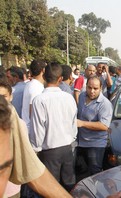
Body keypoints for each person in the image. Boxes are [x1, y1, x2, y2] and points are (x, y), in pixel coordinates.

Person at [30, 63, 78, 191]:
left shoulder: (39, 100)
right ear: (60, 79)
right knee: (69, 184)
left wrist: (35, 149)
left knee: (51, 187)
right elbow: (73, 124)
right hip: (68, 147)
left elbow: (38, 129)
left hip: (49, 151)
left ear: (44, 77)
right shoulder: (69, 98)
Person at [77, 76, 113, 176]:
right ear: (86, 86)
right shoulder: (81, 97)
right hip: (80, 143)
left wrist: (82, 123)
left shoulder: (105, 104)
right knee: (81, 173)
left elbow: (104, 126)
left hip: (96, 144)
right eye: (89, 87)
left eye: (95, 88)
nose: (92, 91)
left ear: (101, 88)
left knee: (94, 174)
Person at [22, 60, 46, 130]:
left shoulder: (31, 84)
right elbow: (32, 111)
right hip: (32, 130)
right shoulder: (36, 87)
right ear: (43, 70)